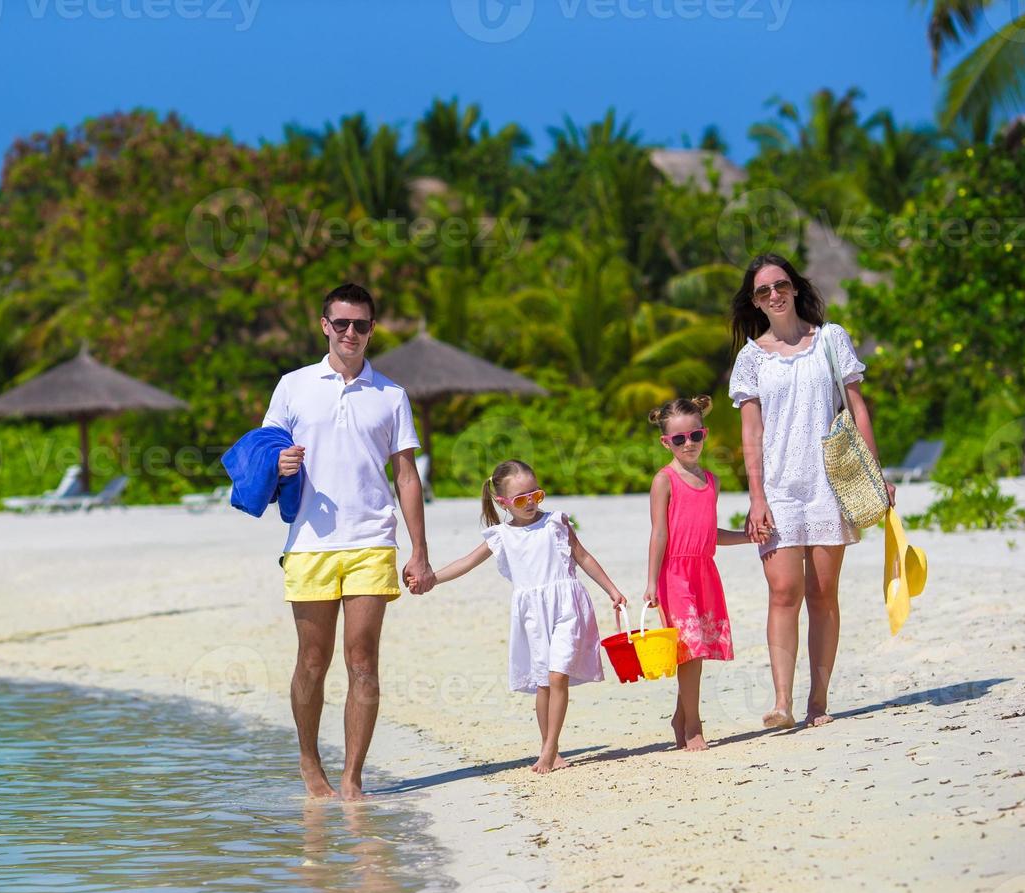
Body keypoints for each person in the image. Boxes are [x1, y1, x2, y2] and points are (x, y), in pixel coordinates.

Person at [263, 282, 435, 801]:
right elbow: (262, 452)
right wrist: (279, 462)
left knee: (362, 660)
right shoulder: (292, 386)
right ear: (324, 326)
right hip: (310, 543)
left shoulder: (392, 395)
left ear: (372, 330)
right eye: (341, 324)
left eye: (361, 325)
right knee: (312, 661)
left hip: (371, 541)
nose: (351, 333)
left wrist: (419, 551)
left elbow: (407, 477)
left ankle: (353, 776)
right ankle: (309, 761)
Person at [728, 253, 895, 729]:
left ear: (796, 288)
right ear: (756, 303)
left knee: (823, 595)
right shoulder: (751, 357)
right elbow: (751, 435)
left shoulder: (831, 340)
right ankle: (781, 702)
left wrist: (875, 472)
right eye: (763, 291)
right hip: (778, 490)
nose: (774, 295)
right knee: (784, 593)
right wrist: (756, 497)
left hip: (829, 485)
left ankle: (817, 701)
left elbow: (858, 410)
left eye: (780, 285)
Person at [426, 459, 624, 774]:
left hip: (567, 607)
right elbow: (467, 561)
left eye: (536, 494)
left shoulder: (556, 522)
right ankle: (550, 748)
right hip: (533, 616)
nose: (530, 502)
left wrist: (611, 590)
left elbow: (582, 556)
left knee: (559, 675)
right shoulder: (501, 535)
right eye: (521, 499)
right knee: (544, 683)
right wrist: (433, 578)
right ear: (503, 502)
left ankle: (549, 749)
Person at [641, 396, 752, 751]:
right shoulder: (664, 480)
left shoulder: (712, 481)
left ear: (704, 434)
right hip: (674, 573)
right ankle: (693, 724)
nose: (688, 444)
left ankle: (681, 716)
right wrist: (650, 582)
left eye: (695, 436)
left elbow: (709, 533)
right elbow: (660, 533)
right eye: (679, 439)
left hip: (704, 571)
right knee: (688, 649)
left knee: (698, 649)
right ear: (666, 442)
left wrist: (748, 536)